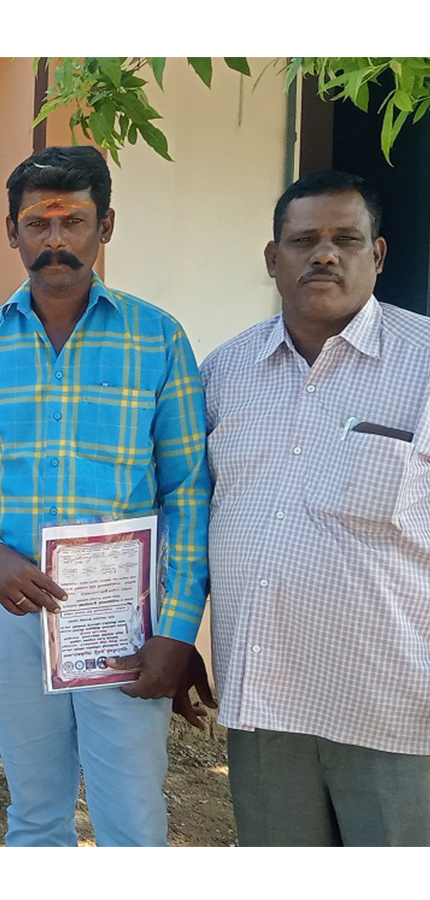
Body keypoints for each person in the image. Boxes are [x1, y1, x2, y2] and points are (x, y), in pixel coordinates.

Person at [0, 146, 211, 847]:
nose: (55, 239)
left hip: (122, 616)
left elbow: (188, 494)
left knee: (131, 815)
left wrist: (176, 629)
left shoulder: (157, 339)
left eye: (74, 221)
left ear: (104, 225)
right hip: (14, 607)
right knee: (35, 810)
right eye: (37, 223)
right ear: (12, 231)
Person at [203, 170, 430, 846]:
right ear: (273, 258)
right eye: (304, 241)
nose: (324, 254)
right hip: (264, 699)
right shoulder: (225, 372)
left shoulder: (424, 365)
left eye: (345, 240)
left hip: (392, 706)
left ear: (377, 254)